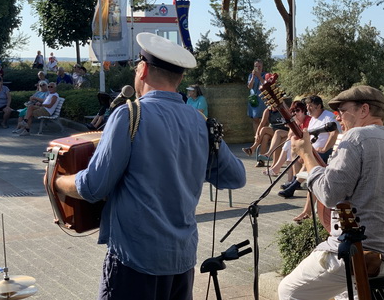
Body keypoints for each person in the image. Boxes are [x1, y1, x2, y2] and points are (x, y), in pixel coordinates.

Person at [53, 33, 246, 300]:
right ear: (179, 78)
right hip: (181, 260)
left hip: (135, 259)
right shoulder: (201, 121)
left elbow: (93, 187)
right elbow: (236, 178)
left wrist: (56, 181)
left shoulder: (129, 115)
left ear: (142, 69)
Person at [278, 85, 384, 300]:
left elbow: (328, 193)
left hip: (365, 254)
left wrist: (305, 154)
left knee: (290, 291)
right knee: (344, 295)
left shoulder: (356, 137)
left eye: (342, 110)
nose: (338, 117)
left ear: (364, 110)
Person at [278, 95, 340, 198]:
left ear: (319, 106)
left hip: (327, 152)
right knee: (295, 154)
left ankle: (293, 186)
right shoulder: (313, 119)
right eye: (307, 106)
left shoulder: (328, 117)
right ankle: (294, 181)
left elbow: (334, 134)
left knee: (311, 158)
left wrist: (324, 149)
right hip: (314, 150)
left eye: (310, 106)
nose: (308, 108)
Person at [247, 59, 268, 133]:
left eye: (259, 66)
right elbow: (249, 86)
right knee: (255, 118)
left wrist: (259, 77)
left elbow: (266, 85)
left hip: (263, 100)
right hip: (254, 99)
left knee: (264, 119)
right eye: (256, 66)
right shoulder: (251, 75)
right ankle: (257, 137)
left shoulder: (266, 75)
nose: (258, 68)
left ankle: (264, 137)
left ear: (262, 66)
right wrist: (253, 77)